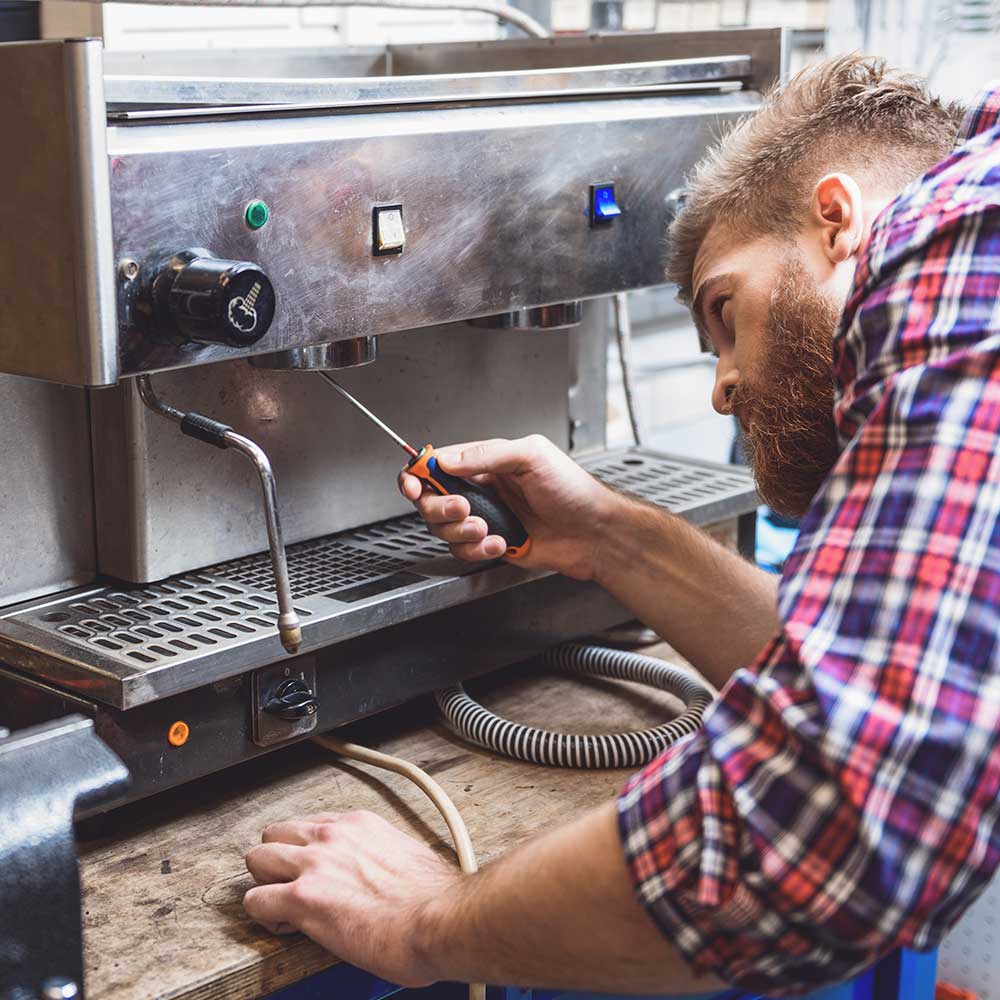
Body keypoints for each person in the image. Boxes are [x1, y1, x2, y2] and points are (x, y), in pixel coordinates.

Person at [243, 57, 1000, 996]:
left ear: (837, 220)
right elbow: (893, 671)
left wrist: (424, 919)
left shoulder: (959, 238)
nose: (724, 385)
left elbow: (824, 824)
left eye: (724, 309)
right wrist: (605, 535)